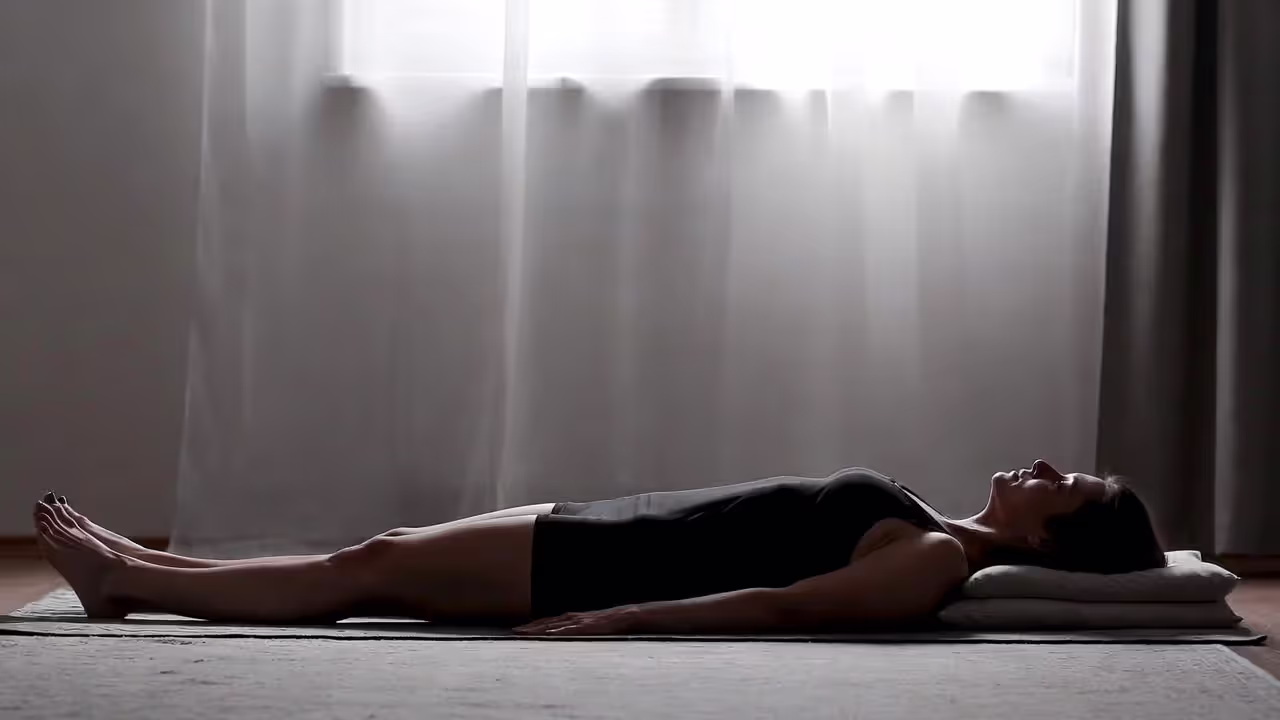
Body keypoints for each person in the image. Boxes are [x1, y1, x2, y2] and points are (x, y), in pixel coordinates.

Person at [32, 459, 1164, 635]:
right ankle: (147, 568)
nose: (1041, 465)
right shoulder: (935, 524)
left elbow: (780, 607)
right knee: (372, 549)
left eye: (1064, 483)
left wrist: (620, 621)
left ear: (1057, 535)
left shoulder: (934, 563)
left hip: (606, 570)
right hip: (604, 529)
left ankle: (125, 583)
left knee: (361, 575)